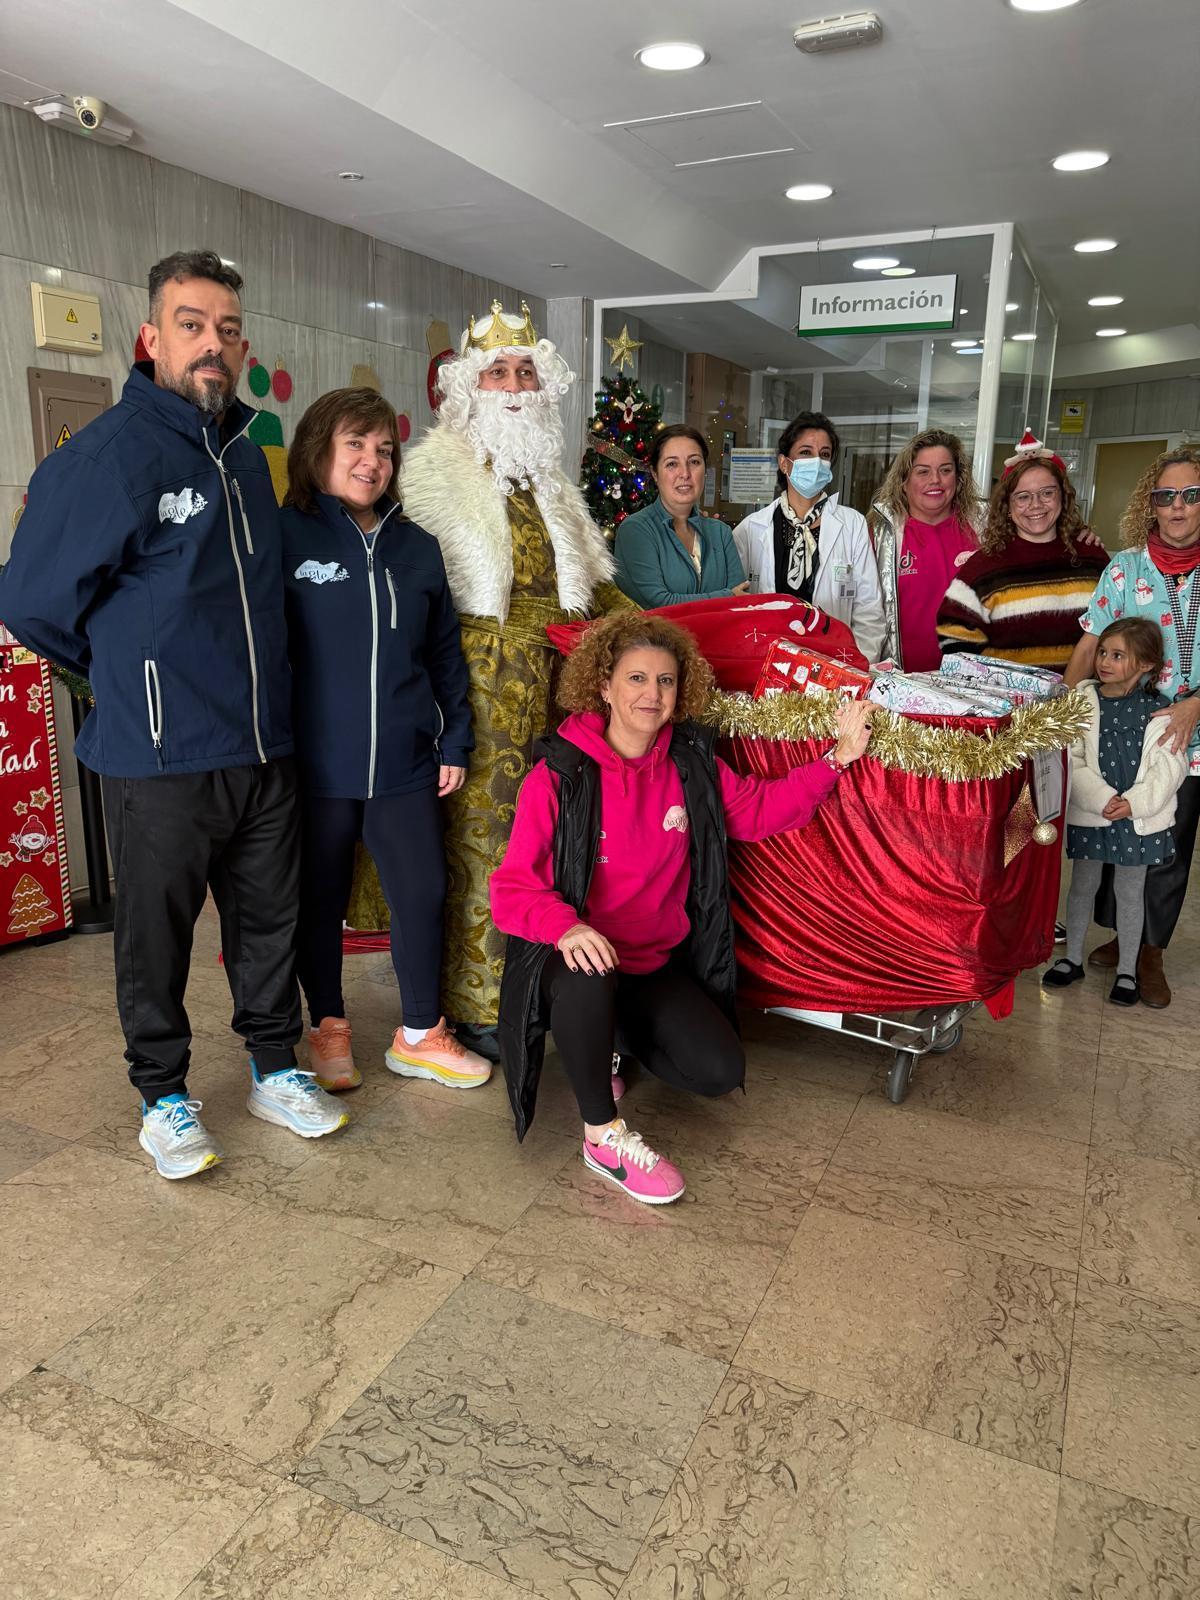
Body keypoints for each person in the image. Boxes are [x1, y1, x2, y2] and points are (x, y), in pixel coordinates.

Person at [0, 249, 348, 1179]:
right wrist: (119, 675)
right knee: (154, 938)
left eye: (228, 329)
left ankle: (276, 1067)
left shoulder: (244, 453)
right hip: (159, 758)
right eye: (192, 325)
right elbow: (30, 599)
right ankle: (162, 1096)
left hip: (264, 748)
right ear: (152, 338)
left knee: (269, 922)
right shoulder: (111, 453)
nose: (213, 344)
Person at [490, 612, 873, 1205]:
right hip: (574, 966)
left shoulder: (690, 767)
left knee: (719, 1072)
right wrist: (565, 927)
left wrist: (837, 758)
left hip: (651, 964)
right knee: (591, 975)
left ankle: (607, 1038)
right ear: (604, 686)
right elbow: (513, 890)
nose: (652, 694)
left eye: (665, 681)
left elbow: (764, 811)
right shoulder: (558, 776)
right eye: (637, 679)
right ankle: (601, 1134)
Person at [393, 299, 624, 1059]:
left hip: (557, 690)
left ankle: (544, 986)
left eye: (526, 370)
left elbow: (594, 587)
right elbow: (413, 603)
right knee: (484, 847)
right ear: (470, 387)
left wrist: (668, 629)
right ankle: (480, 1006)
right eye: (498, 371)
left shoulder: (552, 486)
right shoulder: (431, 477)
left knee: (553, 842)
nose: (515, 383)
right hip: (479, 692)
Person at [280, 388, 490, 1094]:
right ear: (319, 451)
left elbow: (444, 657)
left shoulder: (415, 547)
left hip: (405, 761)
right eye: (355, 444)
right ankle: (329, 1026)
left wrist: (454, 740)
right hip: (317, 766)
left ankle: (421, 1032)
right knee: (320, 900)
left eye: (383, 448)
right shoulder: (287, 537)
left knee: (423, 891)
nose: (372, 461)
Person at [1065, 445, 1200, 1007]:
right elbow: (1091, 643)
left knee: (1164, 841)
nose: (1177, 507)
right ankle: (1123, 932)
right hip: (1118, 729)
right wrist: (1059, 714)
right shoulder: (1123, 567)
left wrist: (1197, 705)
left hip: (1184, 737)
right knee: (1108, 830)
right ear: (1152, 504)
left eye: (1190, 495)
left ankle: (1149, 951)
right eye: (1166, 496)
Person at [1044, 619, 1186, 1004]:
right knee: (1082, 886)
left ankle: (1127, 971)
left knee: (1129, 891)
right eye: (1103, 652)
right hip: (1095, 814)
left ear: (1145, 664)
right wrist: (1101, 797)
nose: (1104, 661)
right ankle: (1072, 958)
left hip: (1136, 820)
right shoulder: (1083, 703)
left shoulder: (1160, 712)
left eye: (1117, 655)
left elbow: (1171, 766)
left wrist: (1135, 802)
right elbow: (1072, 758)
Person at [937, 435, 1109, 670]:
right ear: (1007, 505)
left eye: (1047, 493)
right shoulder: (983, 566)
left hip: (1082, 701)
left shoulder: (1092, 558)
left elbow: (1114, 632)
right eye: (1023, 497)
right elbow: (953, 638)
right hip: (1009, 702)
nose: (1036, 504)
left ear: (1063, 496)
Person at [732, 410, 886, 661]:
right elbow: (737, 604)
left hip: (834, 663)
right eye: (805, 452)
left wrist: (856, 665)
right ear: (784, 464)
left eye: (824, 455)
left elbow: (868, 610)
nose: (816, 462)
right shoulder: (751, 529)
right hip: (766, 661)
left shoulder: (852, 525)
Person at [871, 428, 982, 669]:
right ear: (904, 481)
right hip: (900, 682)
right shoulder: (879, 534)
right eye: (923, 472)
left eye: (945, 470)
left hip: (973, 683)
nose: (936, 480)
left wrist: (1077, 535)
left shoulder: (984, 528)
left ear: (958, 478)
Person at [613, 426, 748, 607]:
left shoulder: (721, 533)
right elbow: (661, 603)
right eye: (672, 464)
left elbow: (742, 604)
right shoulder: (636, 530)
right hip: (656, 636)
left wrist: (731, 598)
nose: (685, 473)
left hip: (722, 635)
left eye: (694, 462)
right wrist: (728, 596)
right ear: (655, 473)